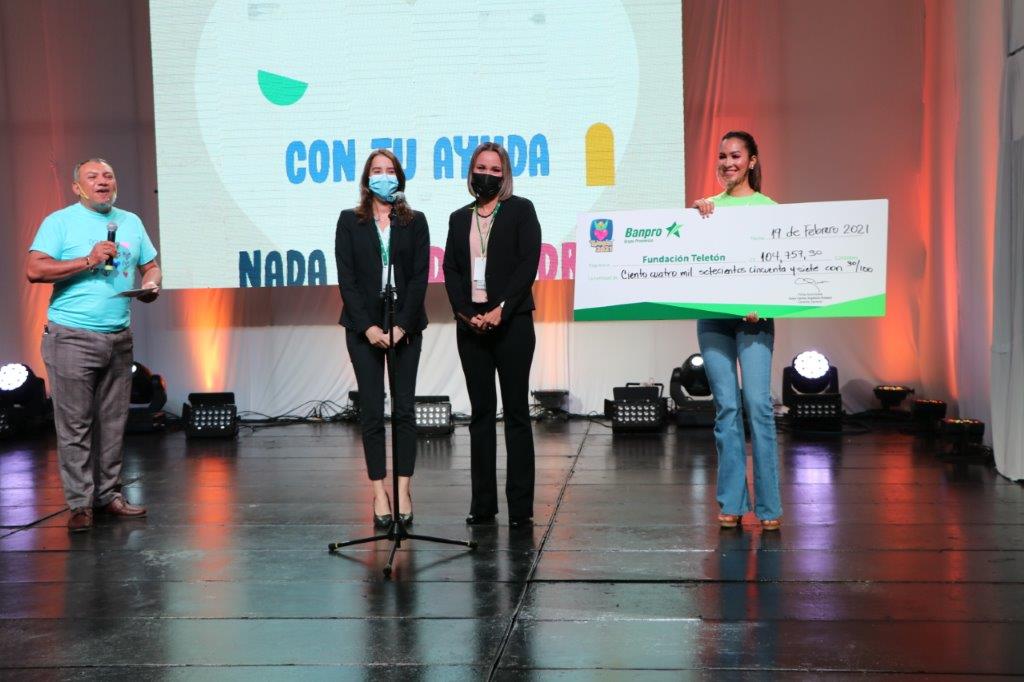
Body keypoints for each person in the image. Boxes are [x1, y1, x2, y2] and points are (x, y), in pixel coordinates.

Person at [25, 158, 161, 533]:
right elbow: (35, 269)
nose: (103, 181)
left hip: (118, 337)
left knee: (114, 423)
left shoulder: (131, 221)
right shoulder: (60, 222)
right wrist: (89, 259)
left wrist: (152, 283)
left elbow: (150, 265)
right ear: (77, 187)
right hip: (71, 336)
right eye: (93, 177)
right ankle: (80, 504)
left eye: (108, 176)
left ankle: (108, 495)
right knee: (75, 425)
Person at [443, 142, 541, 528]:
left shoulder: (521, 210)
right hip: (471, 328)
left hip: (512, 323)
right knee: (481, 415)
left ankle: (521, 508)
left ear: (505, 175)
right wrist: (466, 314)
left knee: (516, 413)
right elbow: (451, 270)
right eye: (482, 168)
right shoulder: (458, 218)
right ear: (471, 172)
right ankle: (482, 505)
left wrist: (502, 308)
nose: (488, 174)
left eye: (496, 170)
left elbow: (528, 263)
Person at [691, 131, 783, 531]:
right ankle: (732, 501)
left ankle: (769, 506)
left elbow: (780, 268)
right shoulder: (708, 209)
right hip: (713, 318)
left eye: (735, 156)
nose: (728, 163)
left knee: (757, 406)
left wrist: (763, 304)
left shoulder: (769, 209)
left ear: (752, 161)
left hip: (754, 320)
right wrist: (693, 220)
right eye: (722, 157)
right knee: (726, 408)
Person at [335, 149, 429, 528]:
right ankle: (378, 492)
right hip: (364, 330)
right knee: (372, 411)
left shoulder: (415, 222)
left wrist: (402, 325)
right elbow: (347, 279)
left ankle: (403, 489)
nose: (384, 176)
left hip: (405, 327)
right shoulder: (349, 221)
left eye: (390, 171)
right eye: (377, 170)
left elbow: (420, 277)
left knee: (404, 410)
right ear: (366, 178)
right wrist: (368, 328)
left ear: (400, 179)